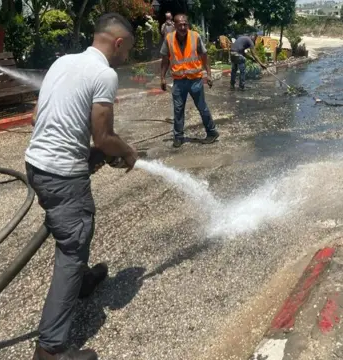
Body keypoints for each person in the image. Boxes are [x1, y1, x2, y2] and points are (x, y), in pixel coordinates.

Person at [25, 12, 138, 360]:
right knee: (72, 249)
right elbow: (104, 136)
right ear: (118, 43)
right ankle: (51, 348)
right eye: (127, 51)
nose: (127, 58)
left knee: (76, 233)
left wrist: (83, 152)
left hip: (36, 164)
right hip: (61, 175)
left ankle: (83, 282)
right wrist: (128, 154)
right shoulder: (104, 73)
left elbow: (37, 116)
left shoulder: (64, 62)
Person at [160, 14, 218, 148]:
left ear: (188, 25)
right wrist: (162, 78)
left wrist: (208, 74)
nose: (182, 27)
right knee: (178, 109)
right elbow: (165, 61)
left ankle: (212, 132)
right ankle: (178, 137)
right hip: (179, 81)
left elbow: (204, 56)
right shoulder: (169, 39)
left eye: (185, 24)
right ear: (174, 25)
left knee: (202, 108)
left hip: (195, 80)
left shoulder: (195, 36)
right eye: (179, 24)